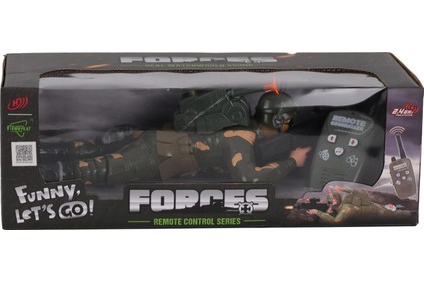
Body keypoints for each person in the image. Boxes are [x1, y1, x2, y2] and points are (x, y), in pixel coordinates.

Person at [41, 91, 311, 186]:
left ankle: (46, 152)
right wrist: (292, 162)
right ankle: (43, 174)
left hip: (160, 139)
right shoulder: (242, 138)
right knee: (101, 168)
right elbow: (248, 177)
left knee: (97, 148)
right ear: (279, 121)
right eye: (288, 120)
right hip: (162, 154)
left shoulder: (239, 123)